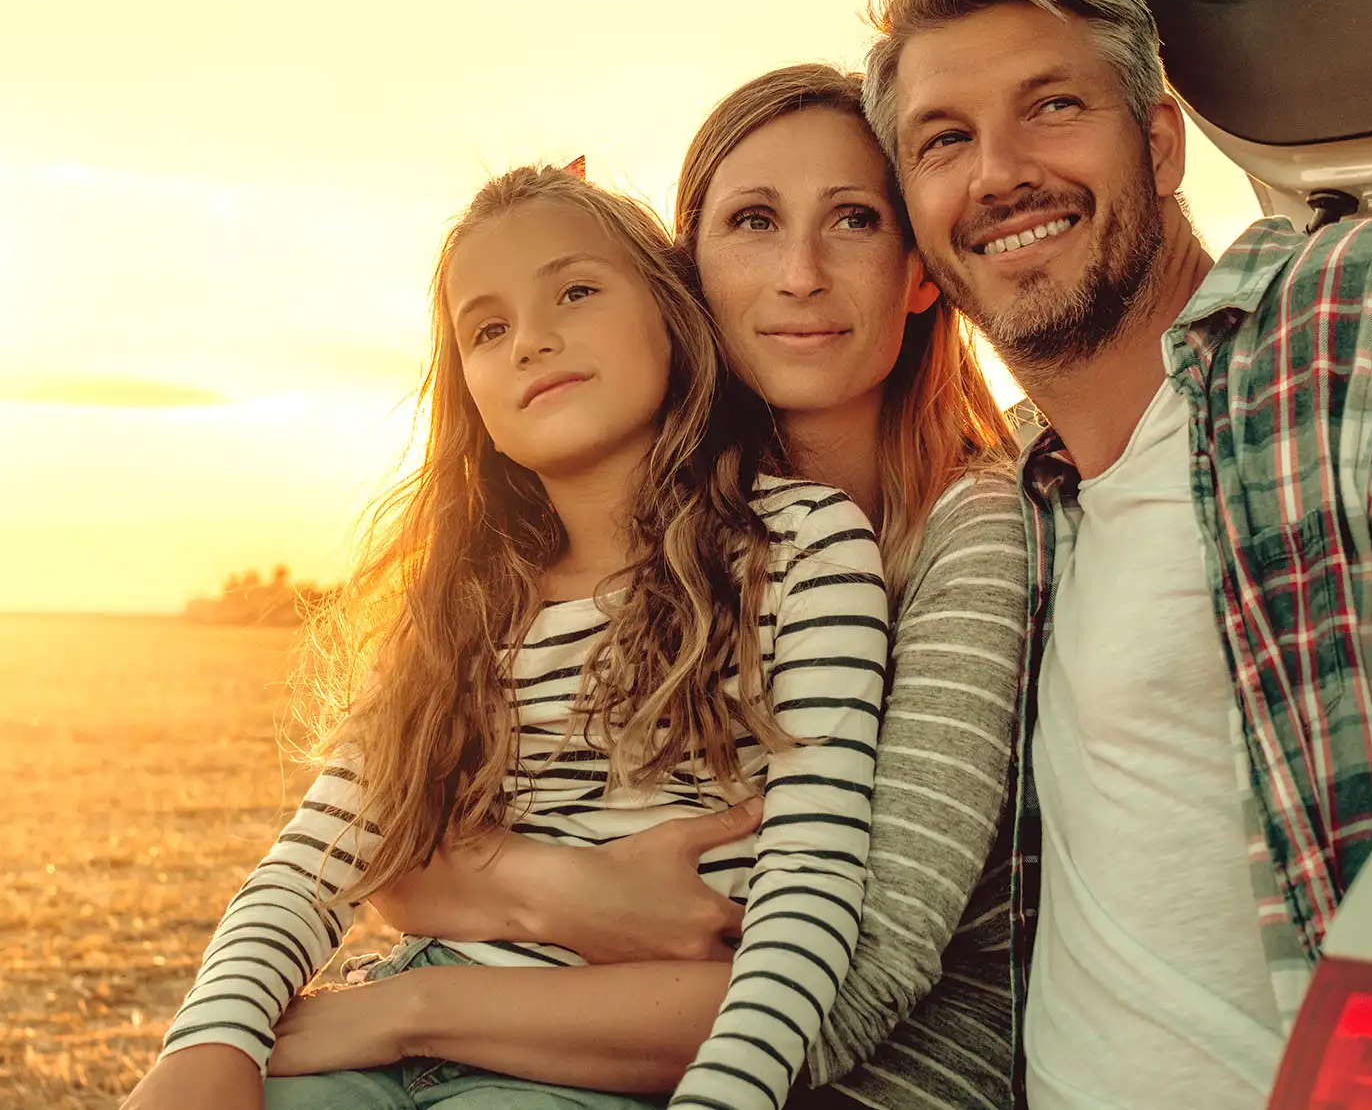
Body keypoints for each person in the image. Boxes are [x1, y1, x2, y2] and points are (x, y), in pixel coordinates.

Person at [857, 0, 1372, 1104]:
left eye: (1053, 107)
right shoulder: (1011, 509)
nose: (999, 174)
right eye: (943, 140)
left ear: (1157, 145)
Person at [270, 66, 1033, 1110]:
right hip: (575, 1040)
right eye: (754, 222)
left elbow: (849, 983)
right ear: (686, 276)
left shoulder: (963, 531)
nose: (801, 273)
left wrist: (409, 1009)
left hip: (864, 1074)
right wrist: (558, 892)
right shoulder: (635, 542)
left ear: (919, 269)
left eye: (853, 220)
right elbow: (393, 852)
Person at [123, 163, 892, 1110]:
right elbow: (319, 856)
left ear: (671, 316)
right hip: (383, 1037)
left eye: (574, 290)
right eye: (488, 329)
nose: (533, 340)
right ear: (470, 397)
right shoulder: (461, 605)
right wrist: (211, 1038)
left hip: (590, 1066)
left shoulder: (797, 546)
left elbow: (811, 892)